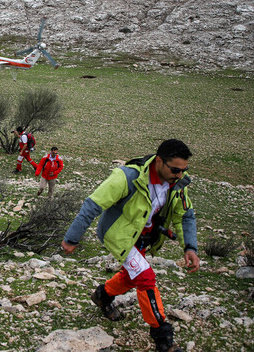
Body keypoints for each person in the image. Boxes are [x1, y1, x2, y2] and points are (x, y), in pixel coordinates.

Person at [61, 139, 199, 352]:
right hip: (118, 235)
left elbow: (185, 214)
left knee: (131, 276)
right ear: (159, 161)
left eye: (183, 170)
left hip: (143, 238)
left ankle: (103, 295)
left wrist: (190, 246)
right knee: (145, 278)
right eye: (175, 170)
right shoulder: (128, 177)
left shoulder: (177, 183)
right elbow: (93, 204)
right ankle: (163, 339)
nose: (180, 175)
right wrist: (72, 238)